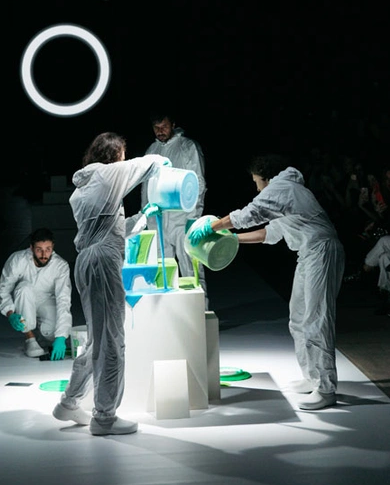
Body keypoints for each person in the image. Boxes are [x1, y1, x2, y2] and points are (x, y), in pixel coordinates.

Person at [188, 153, 345, 410]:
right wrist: (230, 239)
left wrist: (212, 227)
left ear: (266, 177)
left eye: (256, 182)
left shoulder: (283, 189)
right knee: (298, 319)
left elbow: (250, 214)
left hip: (322, 251)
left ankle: (326, 388)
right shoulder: (287, 193)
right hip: (309, 254)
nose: (257, 188)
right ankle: (313, 377)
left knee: (316, 319)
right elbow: (269, 233)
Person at [52, 131, 170, 435]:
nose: (124, 160)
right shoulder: (109, 175)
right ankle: (104, 417)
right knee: (112, 342)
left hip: (88, 261)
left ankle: (69, 401)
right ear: (115, 155)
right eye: (122, 155)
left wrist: (142, 216)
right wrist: (163, 162)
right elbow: (146, 164)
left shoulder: (84, 189)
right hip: (103, 263)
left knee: (98, 339)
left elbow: (109, 228)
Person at [141, 111, 208, 306]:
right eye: (156, 128)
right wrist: (146, 217)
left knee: (191, 267)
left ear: (173, 124)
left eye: (164, 126)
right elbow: (146, 188)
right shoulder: (151, 150)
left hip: (182, 218)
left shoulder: (188, 147)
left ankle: (200, 310)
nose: (160, 131)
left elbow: (198, 182)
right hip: (158, 220)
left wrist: (194, 216)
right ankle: (169, 311)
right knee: (163, 269)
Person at [0, 227, 72, 360]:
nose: (44, 254)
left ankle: (41, 337)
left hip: (46, 300)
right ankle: (30, 338)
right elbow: (3, 288)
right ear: (31, 248)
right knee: (24, 288)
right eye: (39, 249)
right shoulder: (18, 259)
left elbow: (63, 300)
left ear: (53, 247)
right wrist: (10, 313)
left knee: (53, 333)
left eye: (48, 249)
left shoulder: (61, 266)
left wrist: (61, 337)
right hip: (24, 297)